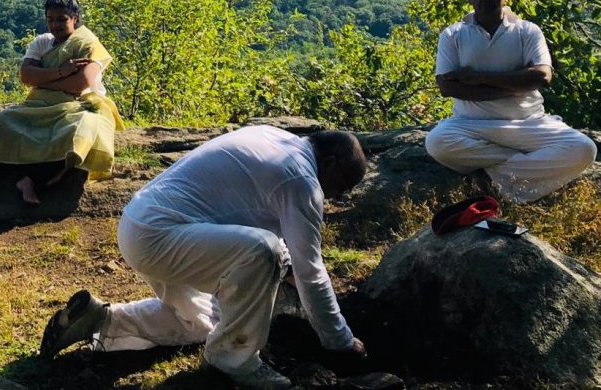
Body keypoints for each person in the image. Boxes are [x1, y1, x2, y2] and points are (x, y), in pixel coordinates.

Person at [39, 126, 368, 390]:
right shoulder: (301, 181)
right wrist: (339, 341)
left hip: (142, 225)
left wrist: (290, 272)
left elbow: (278, 243)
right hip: (163, 237)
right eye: (341, 186)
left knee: (201, 324)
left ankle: (101, 321)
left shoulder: (275, 138)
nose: (336, 197)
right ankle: (233, 358)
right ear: (330, 163)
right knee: (262, 251)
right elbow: (310, 270)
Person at [425, 0, 597, 203]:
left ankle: (490, 176)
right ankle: (521, 167)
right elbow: (447, 87)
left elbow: (542, 77)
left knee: (584, 149)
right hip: (470, 124)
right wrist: (515, 85)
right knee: (436, 142)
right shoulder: (453, 35)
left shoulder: (528, 31)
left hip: (527, 123)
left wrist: (477, 78)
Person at [0, 0, 122, 205]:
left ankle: (33, 180)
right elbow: (26, 76)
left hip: (78, 105)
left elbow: (81, 83)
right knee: (1, 122)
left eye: (62, 20)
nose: (55, 25)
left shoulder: (88, 44)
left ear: (75, 19)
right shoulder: (42, 43)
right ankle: (26, 178)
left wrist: (46, 79)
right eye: (51, 20)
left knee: (80, 129)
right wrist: (62, 71)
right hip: (40, 105)